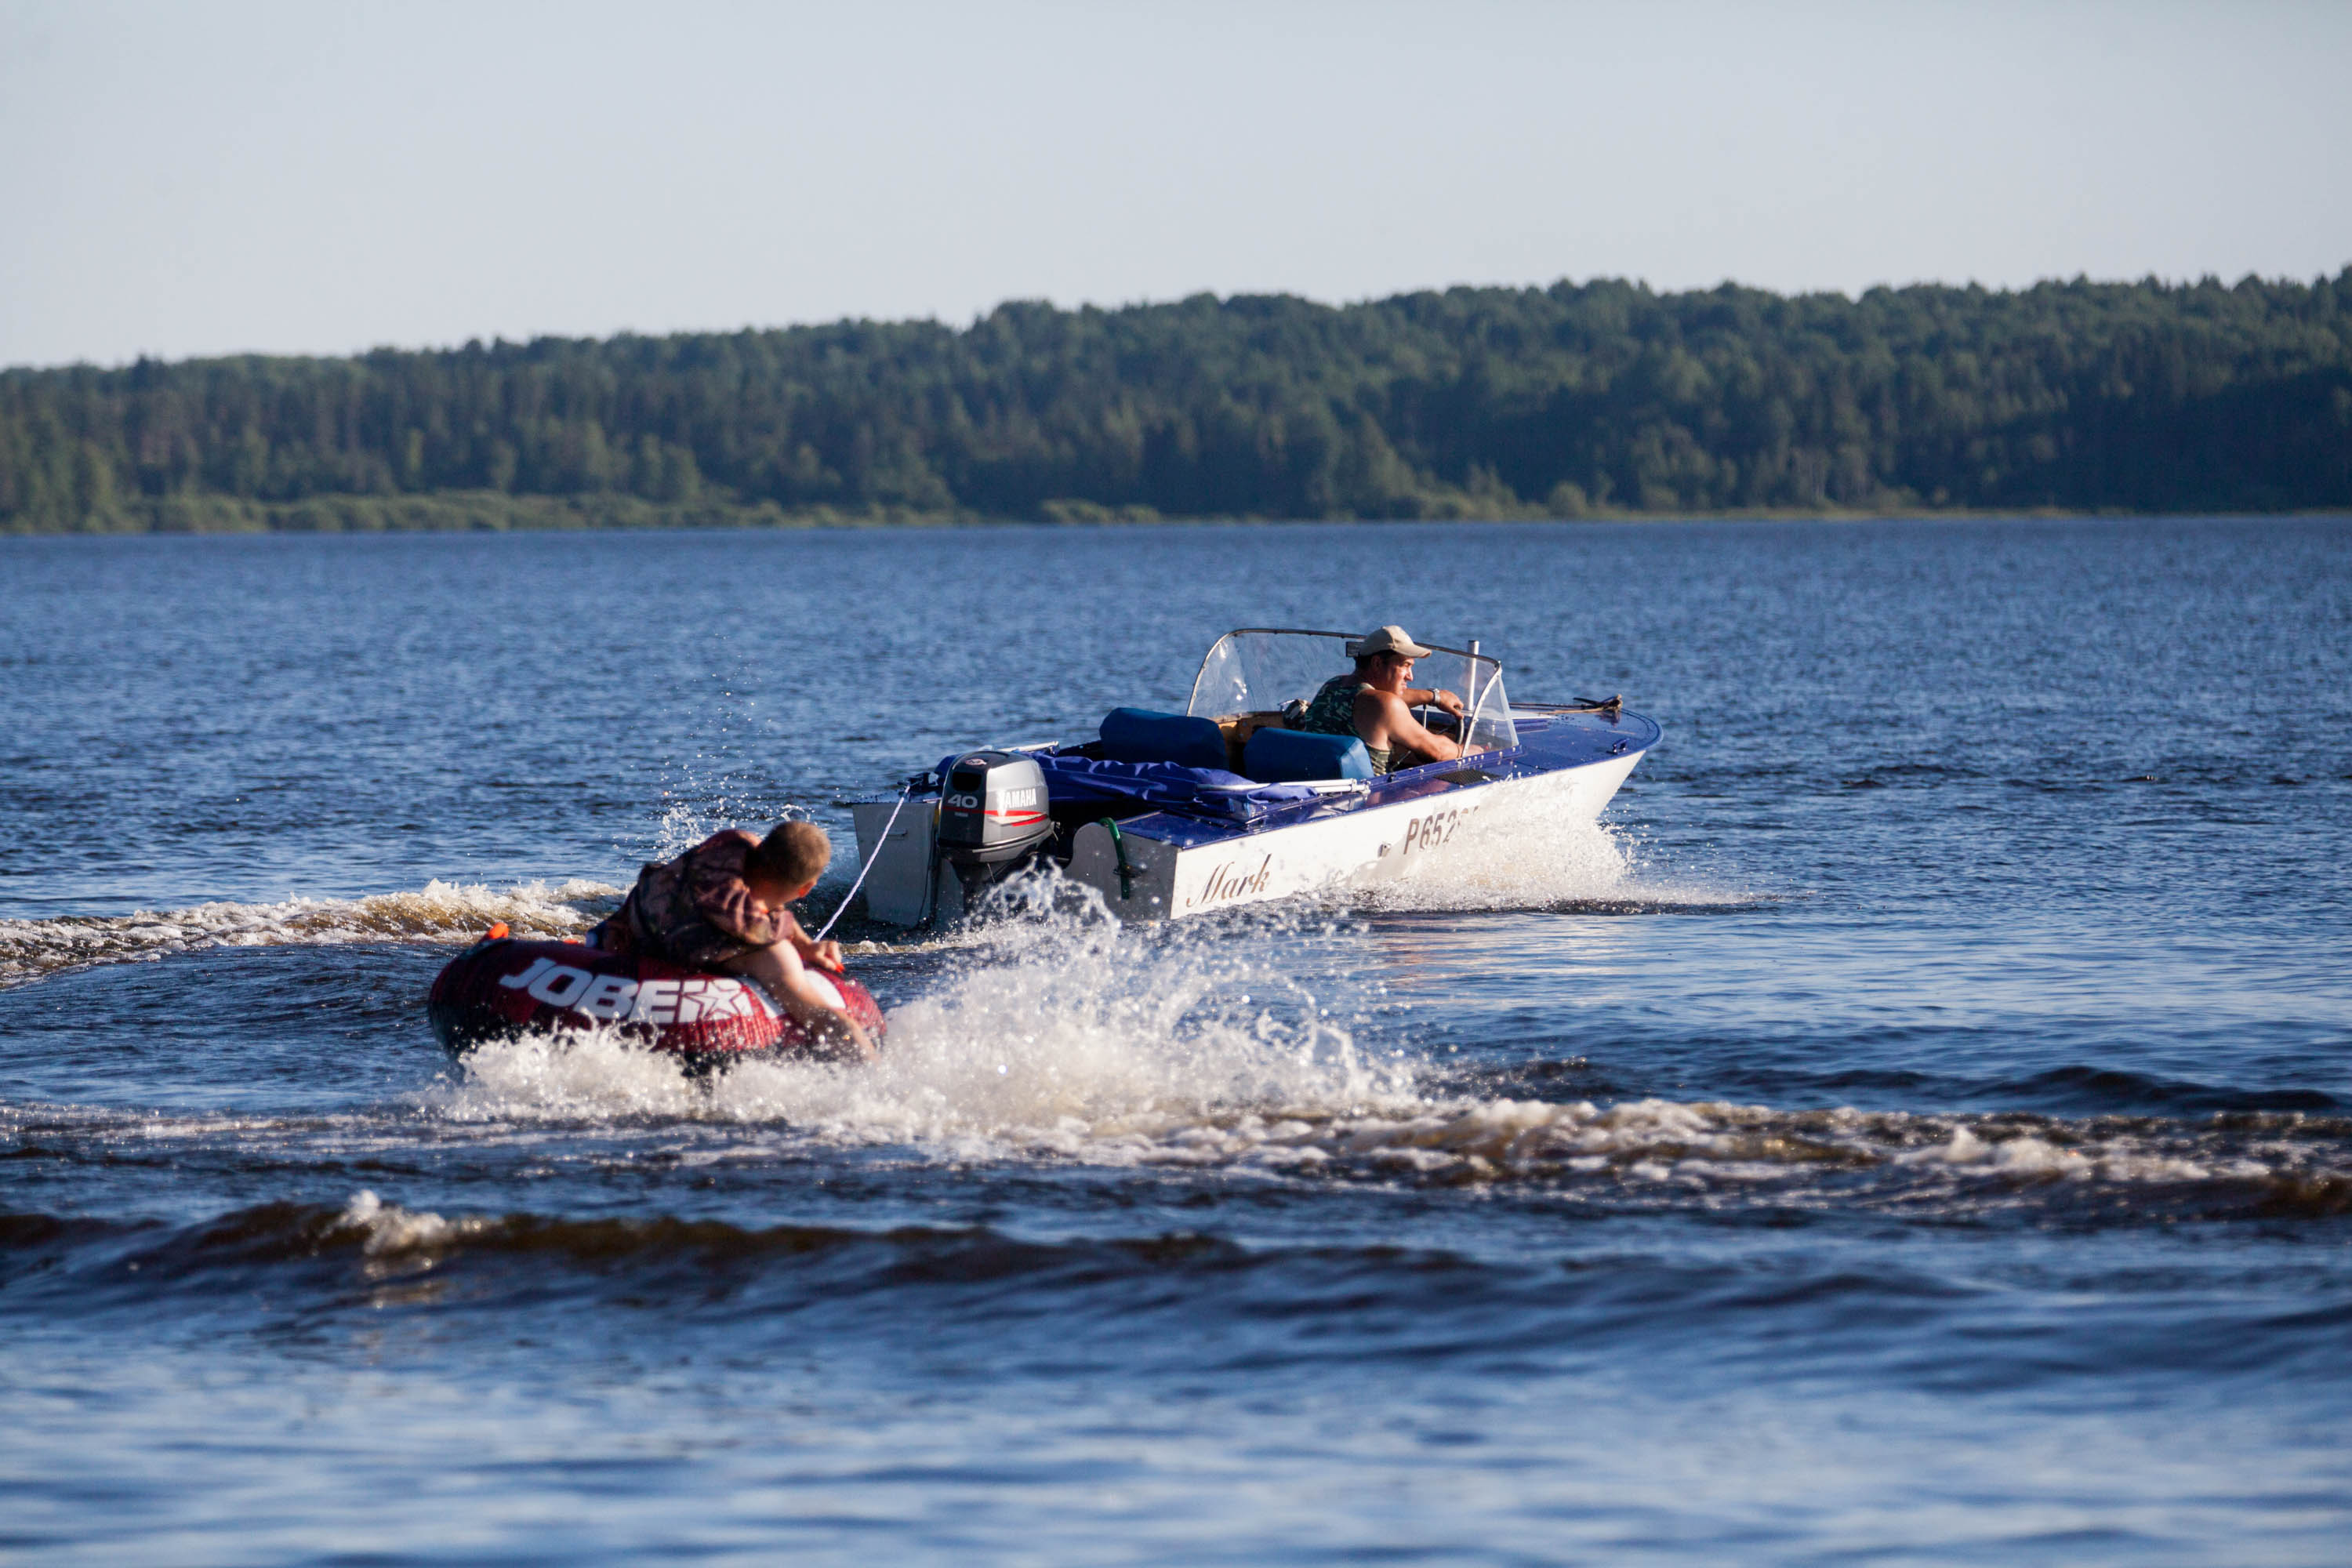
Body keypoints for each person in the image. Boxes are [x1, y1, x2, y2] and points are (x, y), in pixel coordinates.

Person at [590, 821, 877, 1062]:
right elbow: (824, 1018)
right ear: (806, 889)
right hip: (675, 1009)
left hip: (611, 942)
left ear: (761, 846)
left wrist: (805, 944)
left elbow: (760, 901)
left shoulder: (728, 844)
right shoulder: (765, 945)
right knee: (812, 1005)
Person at [1294, 624, 1486, 775]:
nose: (1410, 677)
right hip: (1367, 804)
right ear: (1377, 663)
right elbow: (1438, 752)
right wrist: (1475, 751)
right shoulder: (1385, 706)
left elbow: (1378, 699)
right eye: (1405, 666)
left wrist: (1434, 697)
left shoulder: (1333, 685)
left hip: (1319, 788)